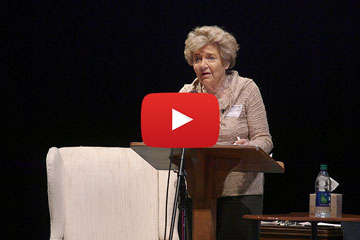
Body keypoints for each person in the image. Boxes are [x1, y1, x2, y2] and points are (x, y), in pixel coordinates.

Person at [179, 25, 273, 240]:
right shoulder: (187, 94)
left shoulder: (246, 89)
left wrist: (250, 146)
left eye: (210, 58)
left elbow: (264, 139)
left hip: (240, 192)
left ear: (226, 62)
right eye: (197, 58)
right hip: (198, 191)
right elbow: (174, 139)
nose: (203, 65)